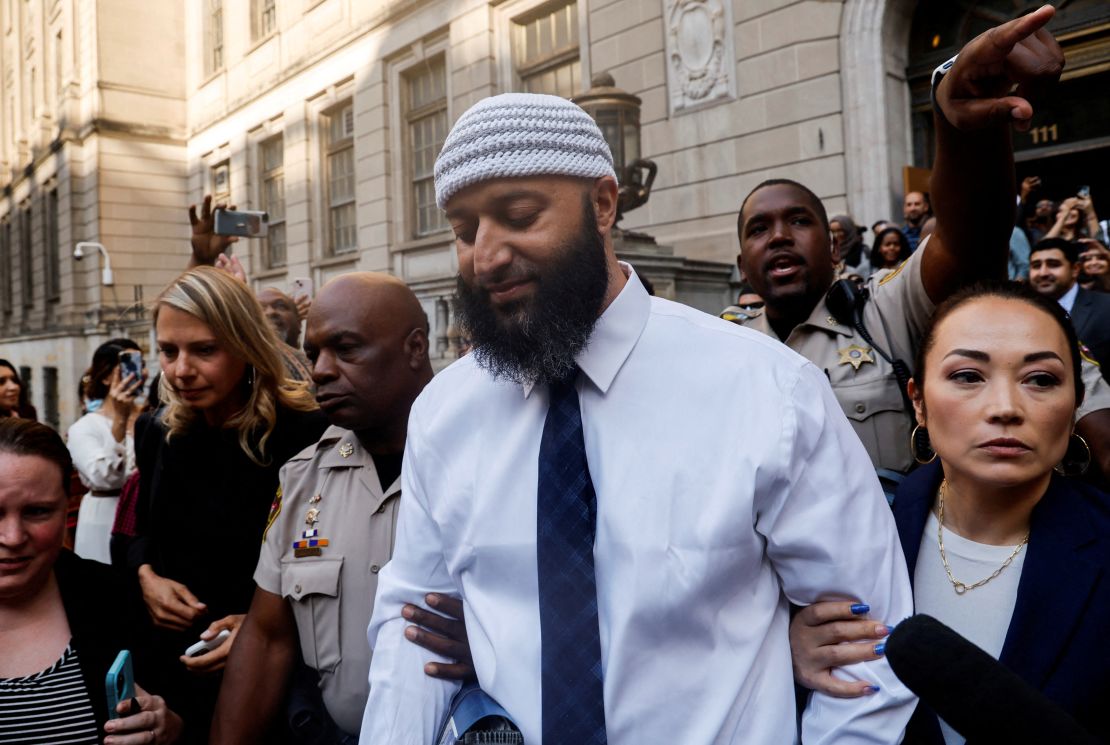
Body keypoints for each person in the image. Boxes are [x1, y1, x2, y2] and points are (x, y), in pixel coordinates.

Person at [360, 91, 917, 743]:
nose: (486, 255)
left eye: (518, 215)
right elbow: (412, 638)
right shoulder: (444, 416)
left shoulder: (766, 389)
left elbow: (867, 649)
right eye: (464, 230)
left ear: (602, 204)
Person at [730, 6, 1066, 488]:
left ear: (834, 247)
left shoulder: (884, 308)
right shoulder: (726, 347)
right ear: (743, 267)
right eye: (759, 228)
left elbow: (970, 242)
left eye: (799, 221)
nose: (780, 235)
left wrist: (961, 128)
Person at [789, 281, 1110, 743]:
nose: (1005, 408)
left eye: (1040, 379)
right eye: (967, 376)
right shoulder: (851, 543)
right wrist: (790, 658)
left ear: (1076, 402)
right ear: (917, 400)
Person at [211, 273, 474, 744]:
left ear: (416, 348)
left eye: (346, 349)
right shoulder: (302, 478)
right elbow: (267, 638)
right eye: (314, 354)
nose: (321, 371)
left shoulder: (486, 458)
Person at [129, 266, 328, 743]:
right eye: (168, 350)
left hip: (267, 682)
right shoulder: (157, 431)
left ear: (245, 345)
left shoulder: (307, 434)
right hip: (167, 669)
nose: (180, 370)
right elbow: (138, 535)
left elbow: (326, 561)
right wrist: (145, 577)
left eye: (204, 350)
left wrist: (263, 627)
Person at [0, 418, 183, 744]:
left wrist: (167, 727)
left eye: (37, 511)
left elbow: (184, 712)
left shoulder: (118, 601)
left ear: (67, 507)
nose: (13, 537)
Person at [68, 339, 145, 565]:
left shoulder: (149, 418)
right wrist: (120, 420)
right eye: (128, 365)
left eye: (140, 363)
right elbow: (103, 477)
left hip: (144, 517)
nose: (138, 372)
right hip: (105, 516)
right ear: (105, 377)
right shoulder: (84, 427)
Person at [1028, 237, 1110, 377]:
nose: (1043, 273)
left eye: (1053, 264)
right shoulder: (1021, 312)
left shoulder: (1106, 307)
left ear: (1075, 269)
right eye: (1036, 266)